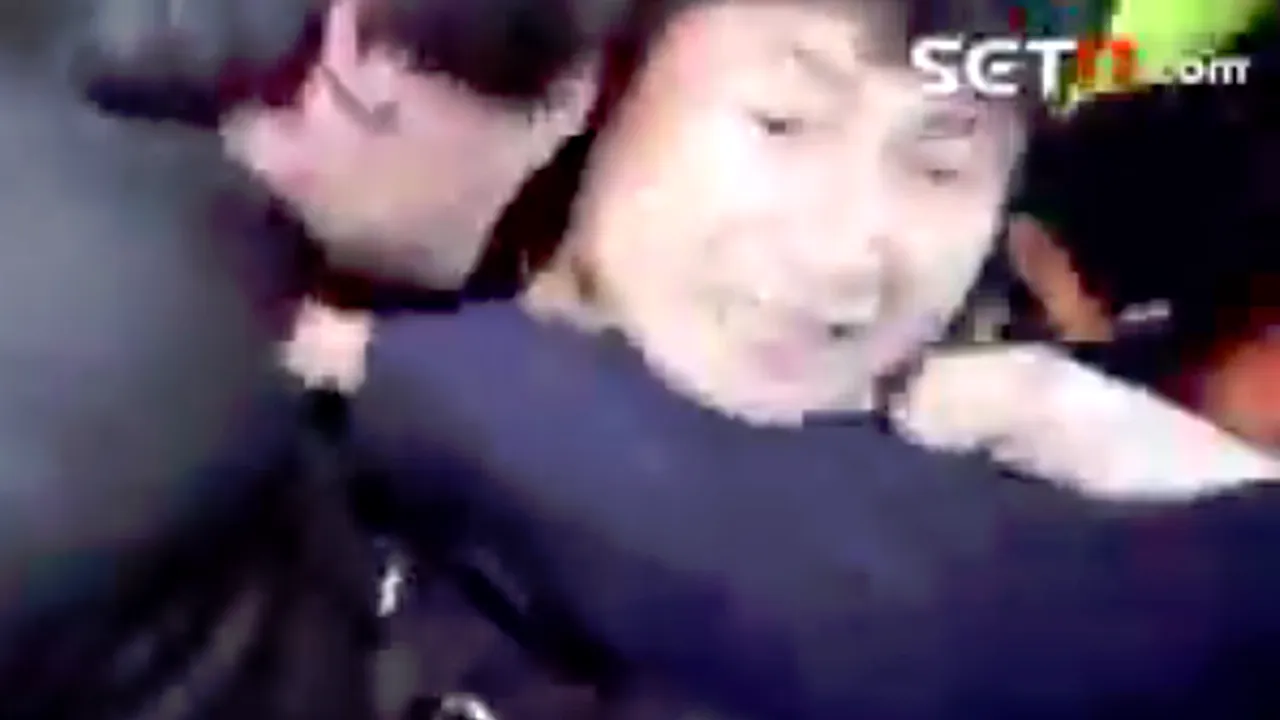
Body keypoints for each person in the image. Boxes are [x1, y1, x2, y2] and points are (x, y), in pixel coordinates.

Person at [338, 0, 1280, 718]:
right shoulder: (309, 411)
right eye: (781, 122)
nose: (844, 247)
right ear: (604, 88)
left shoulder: (1051, 571)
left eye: (940, 167)